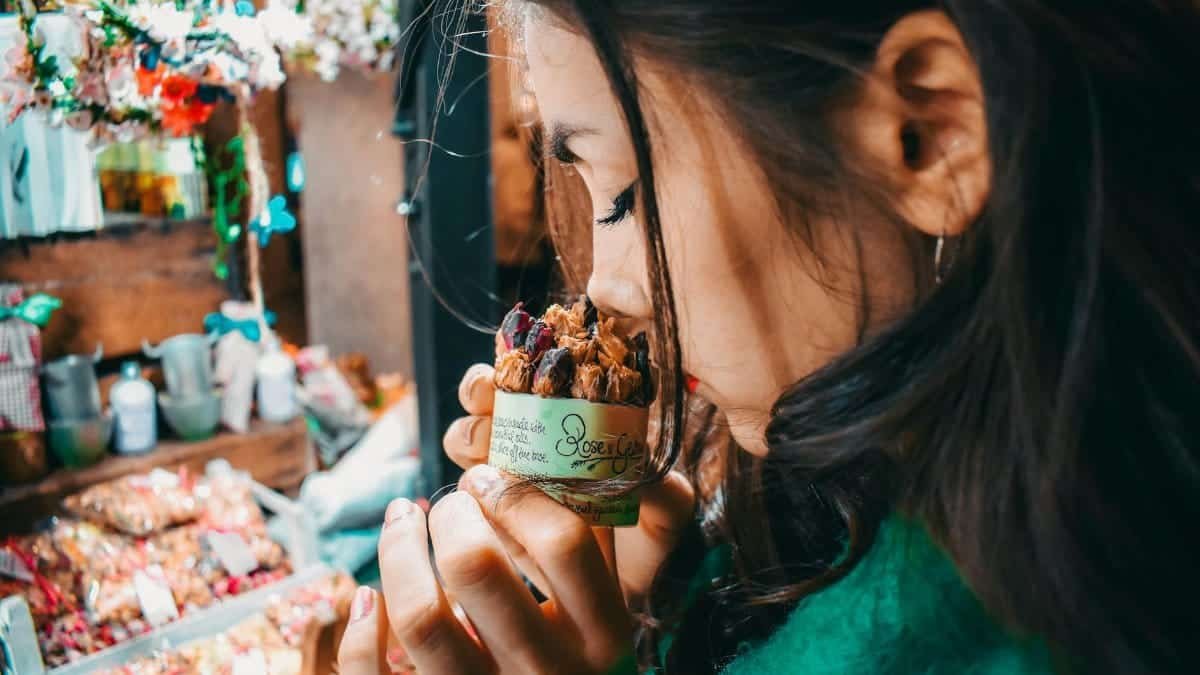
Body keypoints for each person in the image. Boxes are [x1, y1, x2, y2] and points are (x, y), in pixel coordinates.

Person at [339, 1, 1200, 673]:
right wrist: (670, 595)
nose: (606, 289)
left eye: (626, 195)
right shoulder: (868, 509)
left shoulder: (1036, 633)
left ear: (928, 134)